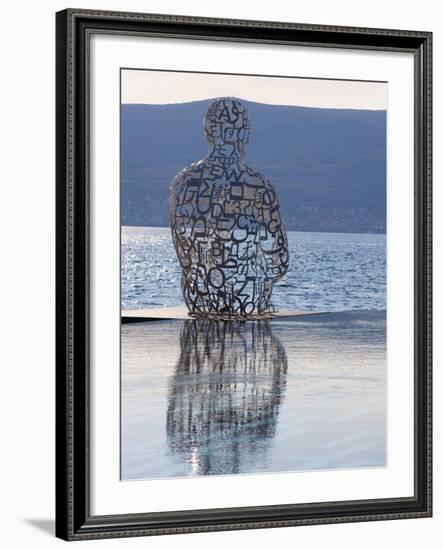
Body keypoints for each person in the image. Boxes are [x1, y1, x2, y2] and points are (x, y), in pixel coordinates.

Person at [170, 97, 289, 317]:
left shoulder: (181, 183)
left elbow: (183, 255)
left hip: (199, 299)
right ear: (243, 136)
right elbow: (279, 264)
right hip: (247, 303)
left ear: (208, 133)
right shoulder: (258, 186)